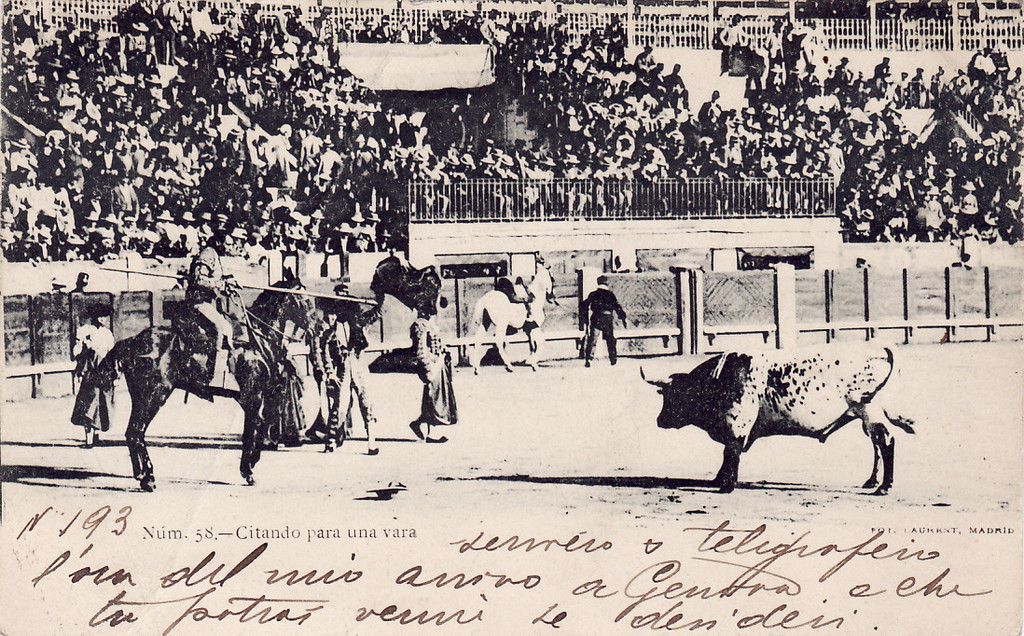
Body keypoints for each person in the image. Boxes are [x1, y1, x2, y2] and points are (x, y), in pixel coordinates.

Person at [320, 284, 382, 455]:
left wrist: (380, 299)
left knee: (366, 402)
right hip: (342, 369)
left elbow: (376, 314)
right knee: (339, 405)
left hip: (358, 365)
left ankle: (371, 443)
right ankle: (331, 441)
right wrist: (330, 372)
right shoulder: (330, 332)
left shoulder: (357, 325)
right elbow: (324, 352)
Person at [409, 300, 456, 443]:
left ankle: (418, 423)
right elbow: (421, 351)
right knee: (433, 396)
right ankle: (431, 433)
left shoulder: (429, 323)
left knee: (437, 396)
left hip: (438, 363)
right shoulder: (420, 324)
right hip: (430, 364)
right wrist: (428, 368)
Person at [71, 304, 115, 447]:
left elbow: (111, 354)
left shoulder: (108, 334)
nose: (103, 319)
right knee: (90, 403)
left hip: (103, 372)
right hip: (90, 371)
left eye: (105, 316)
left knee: (101, 403)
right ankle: (89, 440)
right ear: (94, 317)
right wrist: (85, 348)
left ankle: (95, 437)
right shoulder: (84, 331)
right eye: (100, 316)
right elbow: (76, 352)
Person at [582, 275, 627, 367]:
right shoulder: (610, 294)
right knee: (610, 339)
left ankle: (589, 359)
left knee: (592, 339)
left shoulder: (593, 294)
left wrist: (584, 317)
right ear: (606, 283)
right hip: (607, 318)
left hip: (596, 317)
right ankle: (613, 359)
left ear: (598, 283)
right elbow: (617, 307)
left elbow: (584, 305)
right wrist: (622, 317)